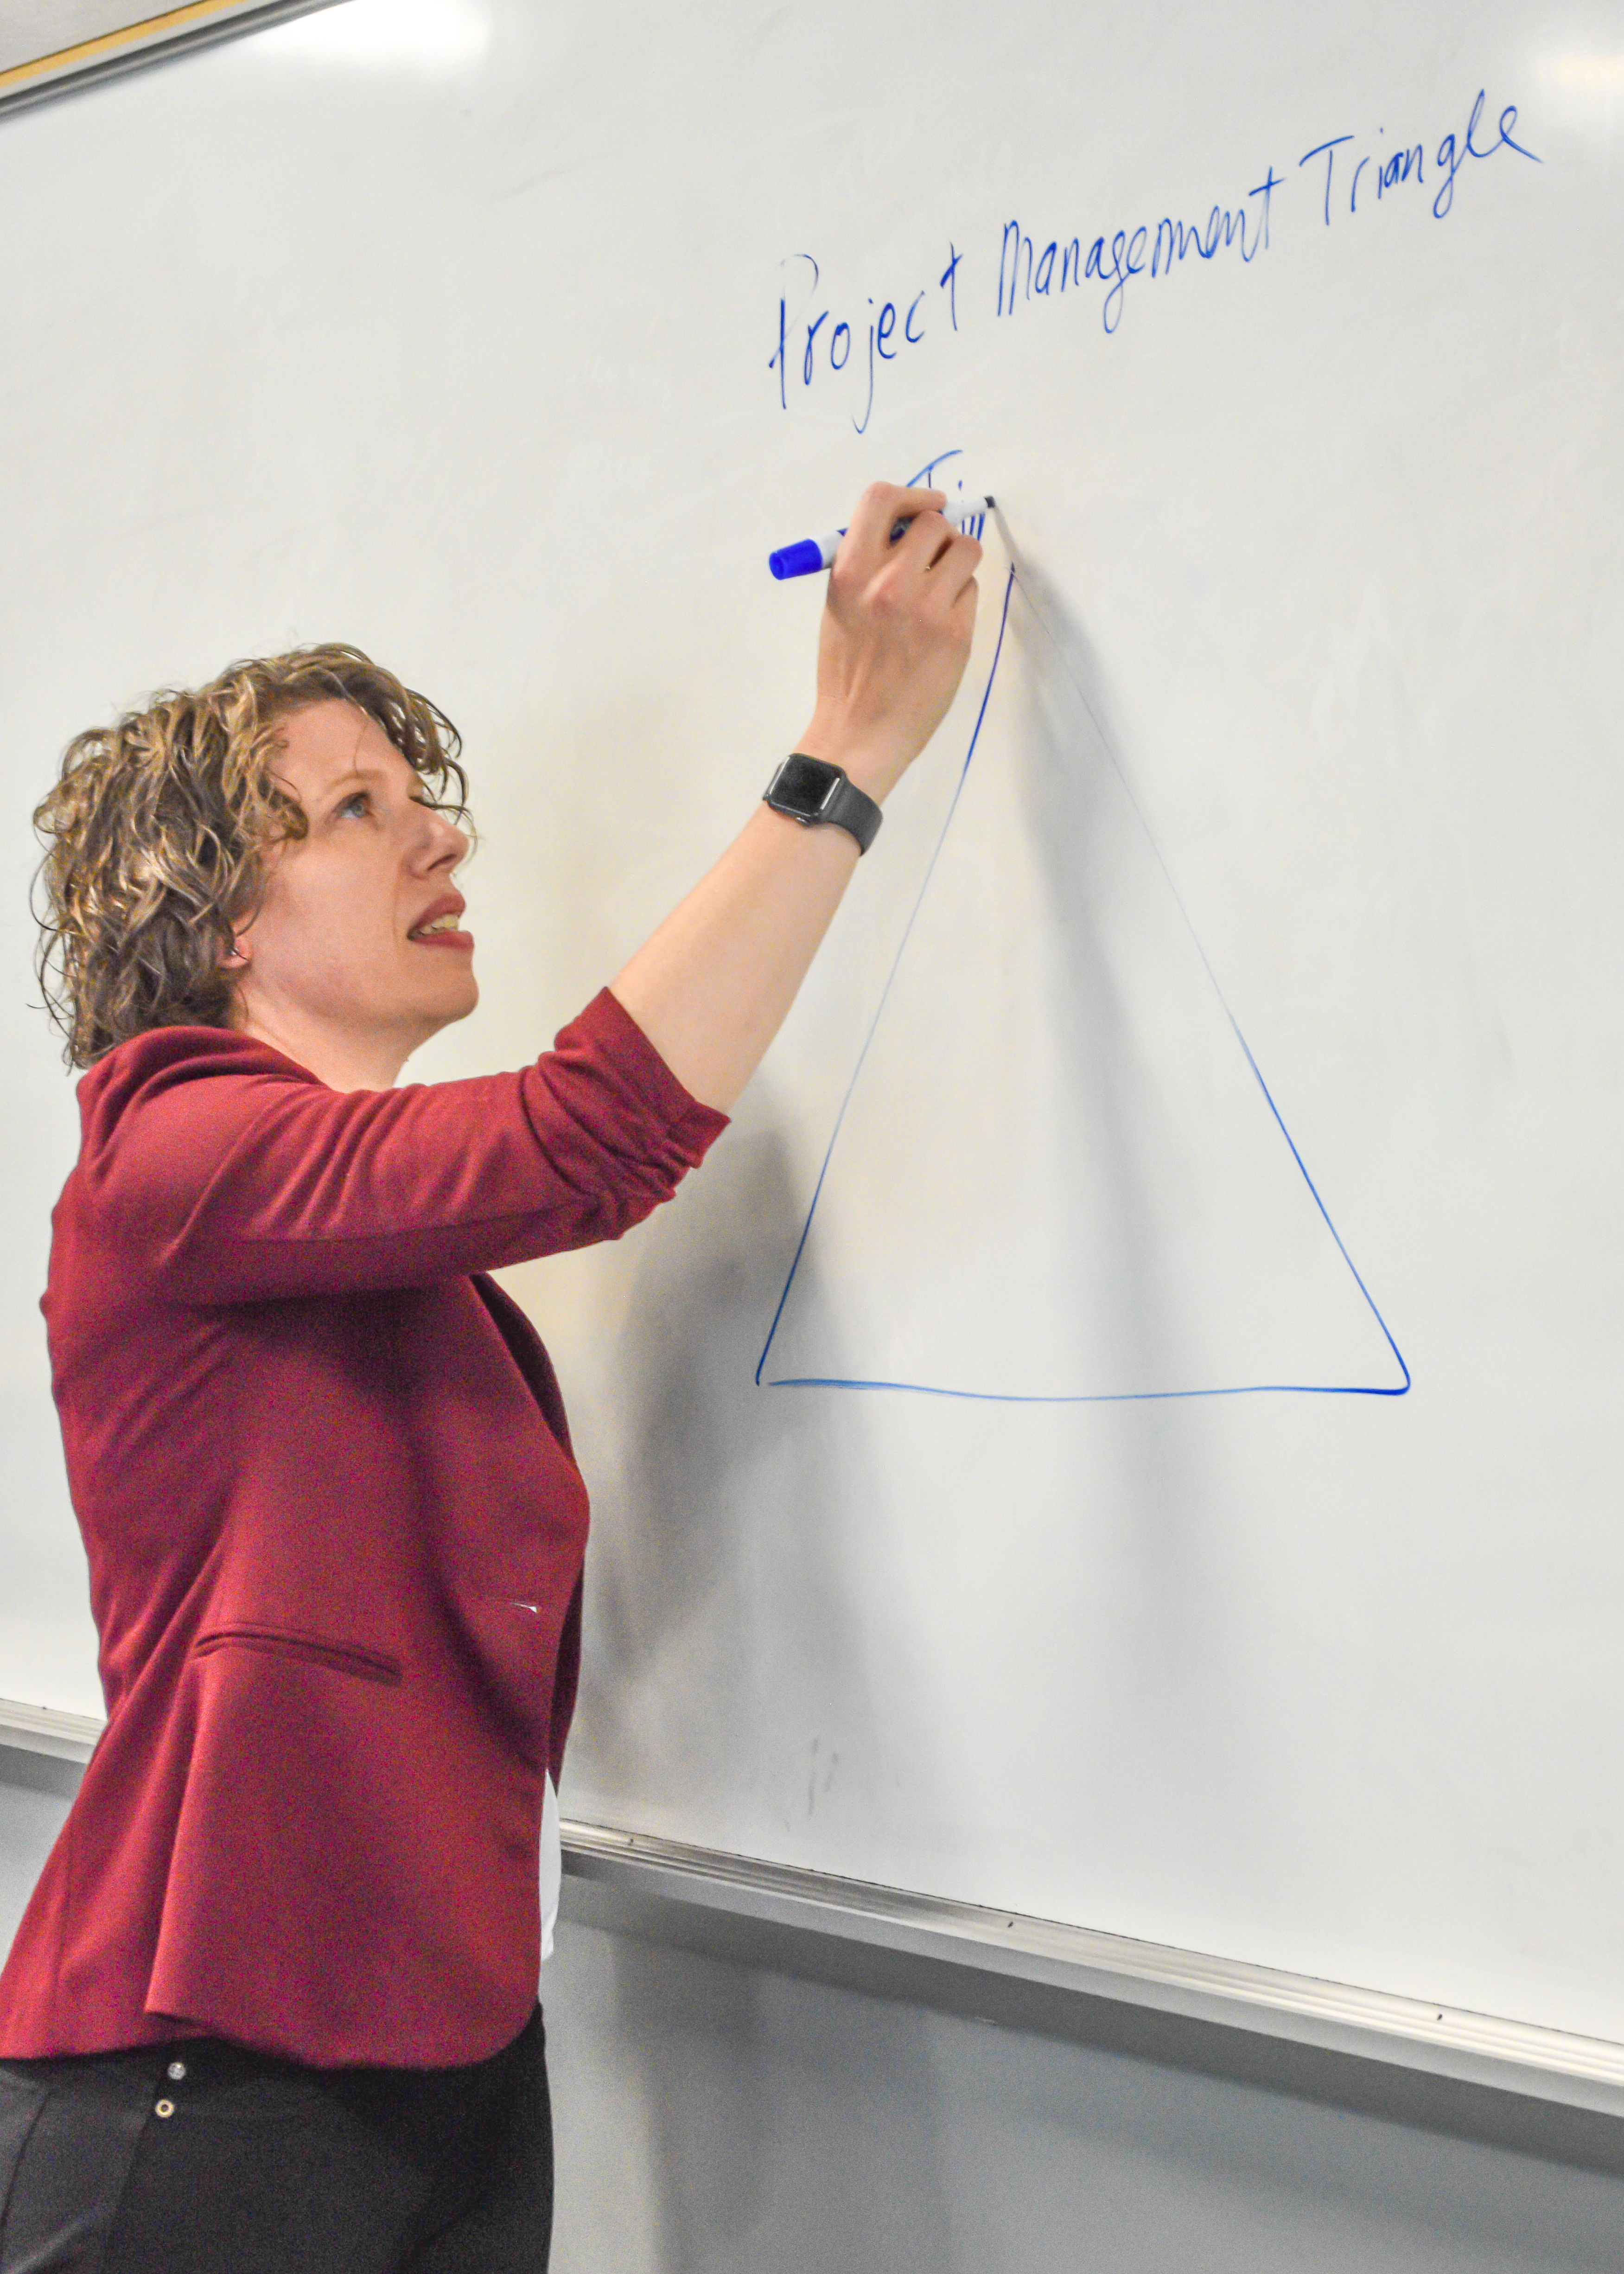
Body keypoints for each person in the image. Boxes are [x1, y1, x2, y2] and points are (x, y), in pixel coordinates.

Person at [0, 484, 980, 2271]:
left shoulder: (360, 1250)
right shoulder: (170, 1154)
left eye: (419, 795)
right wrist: (848, 751)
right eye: (355, 811)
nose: (438, 835)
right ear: (217, 922)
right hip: (207, 2080)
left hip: (444, 2065)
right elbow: (588, 1139)